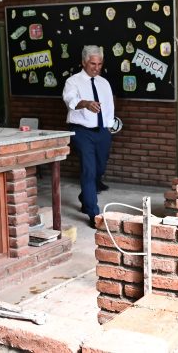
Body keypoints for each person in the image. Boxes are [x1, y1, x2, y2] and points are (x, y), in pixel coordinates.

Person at [62, 45, 114, 228]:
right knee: (89, 170)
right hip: (81, 131)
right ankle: (93, 213)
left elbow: (109, 107)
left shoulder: (104, 83)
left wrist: (108, 129)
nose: (96, 67)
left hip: (101, 131)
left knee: (99, 169)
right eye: (93, 63)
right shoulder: (73, 82)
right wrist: (86, 104)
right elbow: (70, 101)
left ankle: (85, 196)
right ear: (84, 62)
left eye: (100, 64)